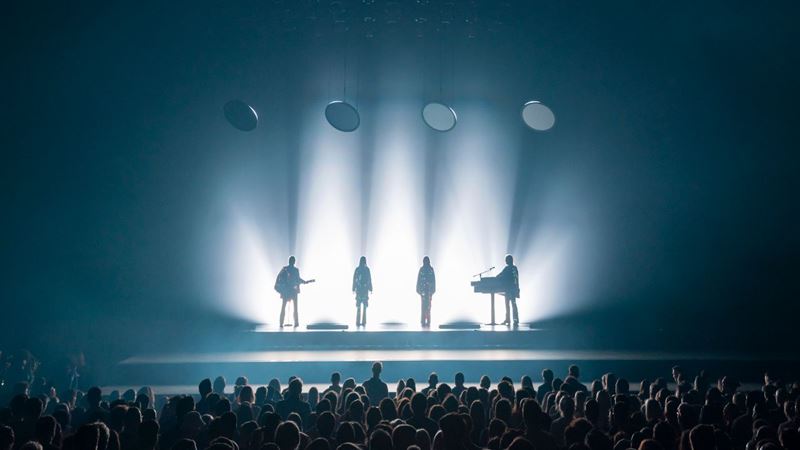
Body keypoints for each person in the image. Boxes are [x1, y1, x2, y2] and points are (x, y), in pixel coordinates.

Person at [274, 256, 311, 327]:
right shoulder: (289, 269)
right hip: (291, 290)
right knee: (292, 307)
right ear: (294, 262)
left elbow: (297, 279)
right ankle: (294, 323)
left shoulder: (286, 269)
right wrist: (304, 282)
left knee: (286, 307)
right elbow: (298, 279)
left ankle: (284, 323)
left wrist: (304, 282)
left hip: (288, 290)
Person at [497, 254, 520, 326]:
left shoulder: (508, 268)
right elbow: (517, 279)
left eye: (506, 260)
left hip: (510, 289)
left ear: (509, 260)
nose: (505, 261)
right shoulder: (514, 268)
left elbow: (500, 275)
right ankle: (513, 320)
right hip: (511, 289)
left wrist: (496, 278)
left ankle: (510, 320)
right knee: (511, 304)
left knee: (510, 305)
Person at [352, 256, 373, 327]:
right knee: (363, 306)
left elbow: (354, 279)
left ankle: (359, 321)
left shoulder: (358, 269)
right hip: (363, 290)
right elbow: (369, 279)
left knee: (360, 306)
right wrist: (370, 288)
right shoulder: (366, 270)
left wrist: (353, 288)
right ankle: (363, 322)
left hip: (360, 290)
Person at [415, 256, 436, 327]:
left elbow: (433, 280)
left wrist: (433, 290)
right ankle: (423, 320)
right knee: (424, 306)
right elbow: (419, 280)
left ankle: (428, 320)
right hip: (423, 291)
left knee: (428, 306)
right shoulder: (422, 270)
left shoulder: (430, 270)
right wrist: (418, 289)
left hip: (428, 291)